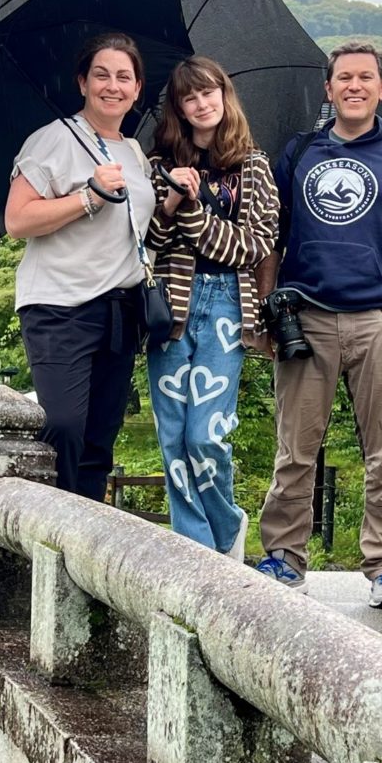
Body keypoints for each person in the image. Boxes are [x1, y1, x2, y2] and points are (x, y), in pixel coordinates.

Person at [256, 42, 382, 607]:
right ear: (329, 88)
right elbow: (271, 235)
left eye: (366, 77)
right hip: (304, 318)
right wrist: (267, 309)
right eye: (343, 78)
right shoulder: (300, 152)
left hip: (375, 318)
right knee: (295, 448)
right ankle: (285, 557)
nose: (354, 85)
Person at [4, 32, 154, 500]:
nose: (113, 85)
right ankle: (48, 527)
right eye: (102, 75)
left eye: (124, 77)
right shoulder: (52, 140)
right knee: (63, 424)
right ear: (83, 83)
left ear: (137, 89)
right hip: (59, 305)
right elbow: (18, 220)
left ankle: (81, 542)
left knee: (99, 437)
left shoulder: (134, 152)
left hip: (120, 310)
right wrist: (87, 196)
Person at [146, 57, 280, 558]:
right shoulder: (159, 165)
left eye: (209, 93)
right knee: (173, 435)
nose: (202, 104)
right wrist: (170, 203)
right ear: (178, 108)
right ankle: (195, 551)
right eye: (189, 97)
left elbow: (252, 246)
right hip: (171, 307)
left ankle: (226, 527)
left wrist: (196, 212)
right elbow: (151, 240)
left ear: (225, 96)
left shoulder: (254, 165)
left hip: (228, 303)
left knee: (207, 435)